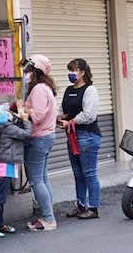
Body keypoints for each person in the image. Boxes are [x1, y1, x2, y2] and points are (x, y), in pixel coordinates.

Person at [18, 54, 58, 232]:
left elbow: (38, 116)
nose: (26, 74)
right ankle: (48, 215)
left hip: (39, 138)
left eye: (28, 70)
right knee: (42, 178)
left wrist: (23, 109)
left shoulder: (40, 89)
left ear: (36, 71)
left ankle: (48, 219)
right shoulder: (44, 88)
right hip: (45, 137)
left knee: (35, 180)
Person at [59, 57, 102, 219]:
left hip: (87, 136)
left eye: (74, 70)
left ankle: (93, 207)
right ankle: (81, 204)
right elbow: (62, 109)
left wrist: (71, 121)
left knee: (89, 173)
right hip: (72, 136)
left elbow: (89, 115)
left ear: (83, 73)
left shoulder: (90, 90)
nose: (71, 73)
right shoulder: (68, 90)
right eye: (69, 70)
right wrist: (59, 118)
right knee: (78, 173)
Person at [0, 103, 32, 239]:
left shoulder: (2, 128)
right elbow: (27, 134)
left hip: (1, 164)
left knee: (1, 197)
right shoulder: (10, 128)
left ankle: (0, 224)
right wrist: (25, 120)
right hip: (5, 165)